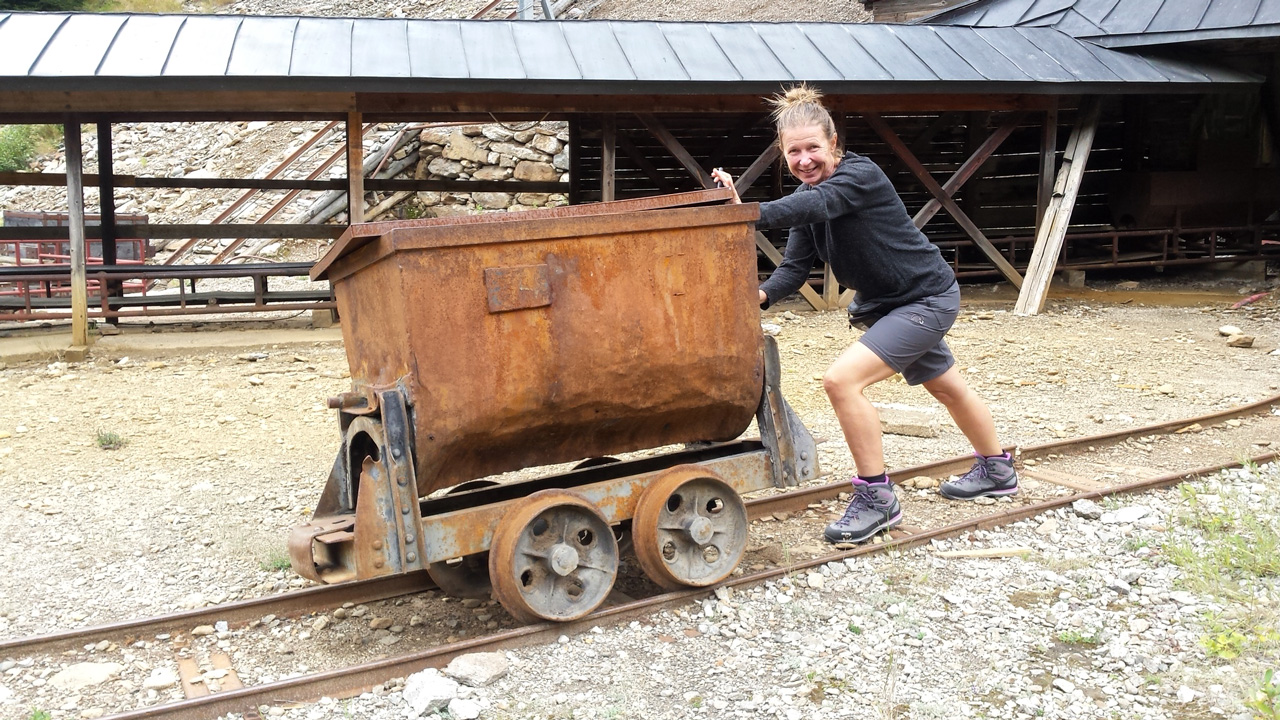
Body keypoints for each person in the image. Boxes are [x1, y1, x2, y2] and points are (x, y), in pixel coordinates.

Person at [711, 84, 1017, 544]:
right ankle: (997, 470)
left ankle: (877, 499)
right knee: (947, 387)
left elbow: (819, 204)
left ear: (833, 143)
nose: (804, 160)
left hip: (926, 298)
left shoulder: (860, 175)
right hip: (889, 307)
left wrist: (743, 211)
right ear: (783, 153)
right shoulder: (808, 196)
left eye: (813, 148)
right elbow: (793, 269)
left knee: (841, 381)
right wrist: (756, 297)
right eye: (794, 152)